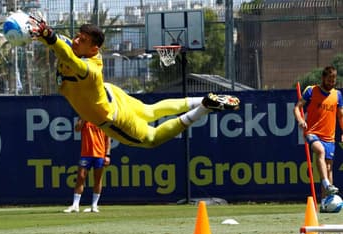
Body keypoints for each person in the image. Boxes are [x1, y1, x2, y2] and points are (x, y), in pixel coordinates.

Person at [27, 15, 240, 148]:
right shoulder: (74, 48)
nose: (75, 40)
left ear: (94, 50)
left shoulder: (89, 68)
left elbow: (67, 56)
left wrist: (51, 37)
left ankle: (203, 107)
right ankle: (202, 100)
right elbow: (62, 43)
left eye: (82, 40)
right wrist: (45, 34)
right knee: (150, 111)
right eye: (77, 36)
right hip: (110, 94)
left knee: (151, 139)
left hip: (113, 115)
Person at [293, 66, 343, 211]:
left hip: (330, 136)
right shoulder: (311, 90)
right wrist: (301, 120)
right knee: (319, 151)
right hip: (313, 132)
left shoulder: (337, 95)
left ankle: (326, 202)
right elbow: (297, 107)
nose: (331, 82)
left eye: (333, 80)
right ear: (323, 78)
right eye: (329, 79)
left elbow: (340, 115)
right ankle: (326, 184)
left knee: (329, 168)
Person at [64, 118, 111, 213]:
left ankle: (94, 205)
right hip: (86, 154)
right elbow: (77, 129)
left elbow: (108, 139)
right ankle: (75, 205)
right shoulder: (84, 117)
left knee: (98, 179)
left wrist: (107, 155)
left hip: (100, 154)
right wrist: (83, 118)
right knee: (80, 177)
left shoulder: (102, 119)